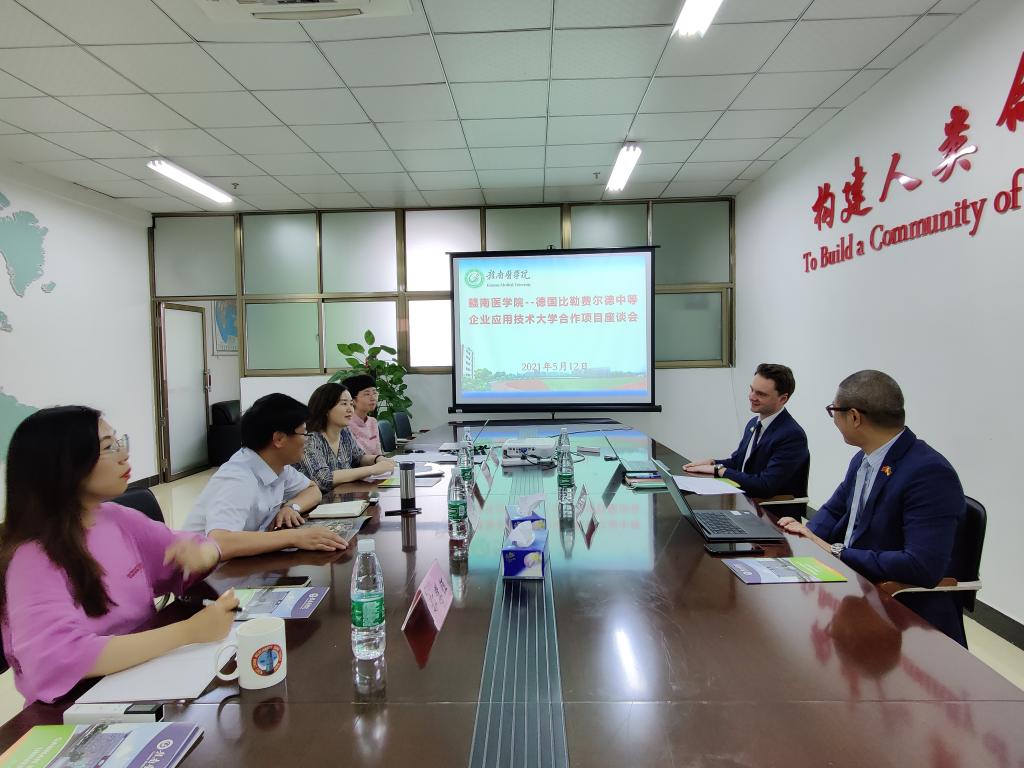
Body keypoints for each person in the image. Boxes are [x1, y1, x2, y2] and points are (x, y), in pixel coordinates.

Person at [0, 406, 238, 705]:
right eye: (108, 448)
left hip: (144, 675)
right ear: (64, 465)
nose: (124, 455)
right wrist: (188, 632)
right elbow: (56, 658)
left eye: (119, 442)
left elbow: (187, 548)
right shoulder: (32, 557)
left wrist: (204, 554)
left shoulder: (115, 518)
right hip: (78, 704)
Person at [778, 370, 967, 646]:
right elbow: (834, 511)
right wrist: (805, 541)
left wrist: (836, 552)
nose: (834, 419)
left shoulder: (929, 473)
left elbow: (921, 566)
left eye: (834, 411)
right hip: (853, 586)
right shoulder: (864, 459)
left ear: (854, 417)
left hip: (899, 619)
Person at [184, 393, 346, 559]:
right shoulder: (238, 478)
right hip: (204, 569)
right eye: (304, 434)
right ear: (279, 439)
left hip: (241, 562)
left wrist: (291, 507)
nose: (307, 440)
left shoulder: (278, 466)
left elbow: (312, 490)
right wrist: (295, 537)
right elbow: (219, 542)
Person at [683, 363, 810, 509]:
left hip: (772, 515)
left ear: (783, 399)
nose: (751, 397)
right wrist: (712, 463)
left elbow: (766, 485)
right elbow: (739, 463)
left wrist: (720, 470)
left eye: (761, 394)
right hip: (746, 505)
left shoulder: (792, 436)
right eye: (752, 390)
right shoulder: (753, 423)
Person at [298, 383, 396, 492]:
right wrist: (373, 469)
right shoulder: (310, 439)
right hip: (320, 501)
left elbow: (358, 458)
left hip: (344, 496)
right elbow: (324, 479)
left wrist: (378, 459)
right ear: (326, 409)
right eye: (344, 404)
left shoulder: (344, 432)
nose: (350, 409)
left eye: (351, 404)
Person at [343, 374, 382, 455]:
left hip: (377, 462)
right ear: (353, 400)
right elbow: (357, 457)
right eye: (367, 394)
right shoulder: (346, 425)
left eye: (374, 393)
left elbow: (378, 452)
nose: (373, 398)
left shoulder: (372, 422)